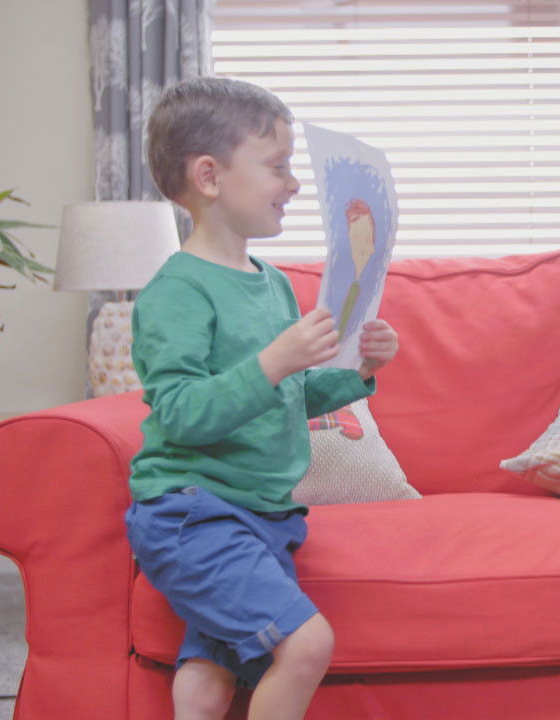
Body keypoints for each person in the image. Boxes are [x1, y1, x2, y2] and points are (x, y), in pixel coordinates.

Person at [125, 77, 400, 720]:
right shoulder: (177, 291)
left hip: (263, 515)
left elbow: (284, 394)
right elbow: (181, 413)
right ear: (209, 176)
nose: (295, 184)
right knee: (307, 646)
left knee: (209, 682)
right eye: (278, 166)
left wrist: (358, 371)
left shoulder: (271, 282)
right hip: (194, 514)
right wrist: (275, 360)